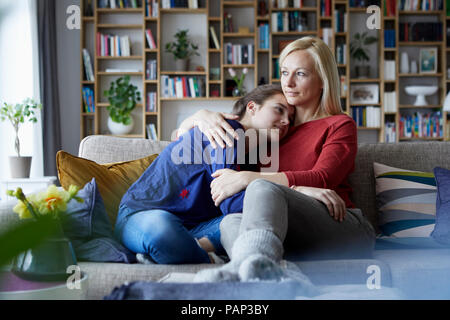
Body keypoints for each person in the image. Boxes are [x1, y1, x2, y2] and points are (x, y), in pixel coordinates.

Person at [179, 36, 377, 282]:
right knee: (231, 222)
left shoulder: (340, 124)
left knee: (261, 188)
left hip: (341, 226)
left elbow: (324, 178)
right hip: (286, 233)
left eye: (301, 74)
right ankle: (273, 272)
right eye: (284, 73)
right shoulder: (274, 129)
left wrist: (252, 179)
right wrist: (199, 116)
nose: (289, 83)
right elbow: (190, 137)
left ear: (322, 81)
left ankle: (241, 270)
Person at [113, 84, 295, 265]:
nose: (286, 121)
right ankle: (205, 256)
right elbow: (231, 204)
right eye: (279, 110)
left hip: (192, 229)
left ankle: (181, 250)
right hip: (141, 215)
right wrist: (291, 190)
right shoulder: (226, 131)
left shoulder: (252, 161)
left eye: (291, 118)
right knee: (161, 230)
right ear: (252, 107)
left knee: (258, 222)